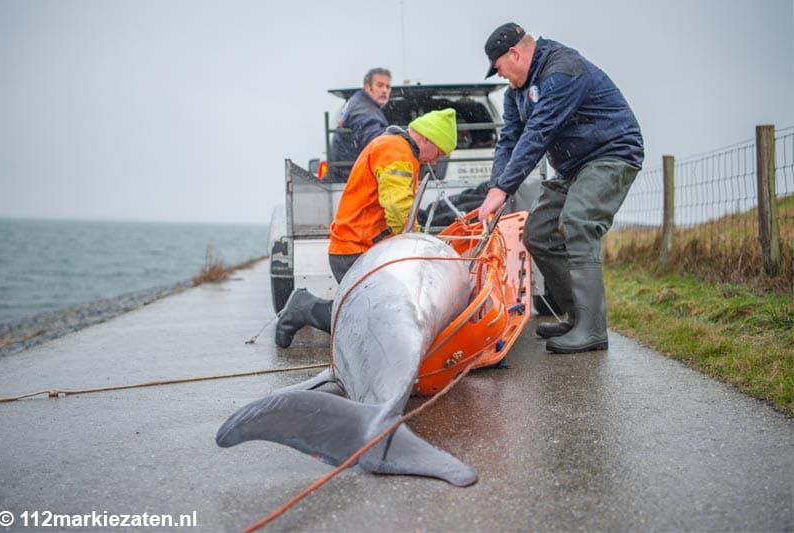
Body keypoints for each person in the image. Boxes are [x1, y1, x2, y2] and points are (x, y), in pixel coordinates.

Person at [477, 23, 644, 354]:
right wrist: (496, 186)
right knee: (538, 232)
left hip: (610, 155)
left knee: (578, 221)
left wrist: (505, 189)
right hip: (572, 167)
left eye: (498, 68)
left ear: (514, 53)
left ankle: (593, 330)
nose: (500, 76)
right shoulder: (516, 94)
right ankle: (576, 316)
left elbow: (539, 131)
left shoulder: (563, 70)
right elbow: (509, 140)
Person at [275, 108, 458, 348]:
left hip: (361, 248)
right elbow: (398, 207)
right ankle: (305, 308)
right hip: (356, 250)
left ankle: (307, 307)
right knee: (369, 319)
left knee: (379, 315)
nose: (435, 161)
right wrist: (416, 245)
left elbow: (400, 209)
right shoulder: (396, 151)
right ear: (426, 138)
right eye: (439, 153)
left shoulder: (397, 149)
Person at [328, 67, 392, 182]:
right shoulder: (364, 109)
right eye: (380, 85)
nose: (385, 90)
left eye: (388, 87)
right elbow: (375, 141)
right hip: (351, 179)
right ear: (367, 87)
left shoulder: (358, 102)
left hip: (346, 177)